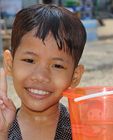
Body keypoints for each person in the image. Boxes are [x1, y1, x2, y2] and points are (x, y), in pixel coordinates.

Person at [0, 4, 86, 140]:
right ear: (10, 64)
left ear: (75, 77)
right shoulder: (4, 126)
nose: (40, 76)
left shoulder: (85, 131)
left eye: (57, 65)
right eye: (29, 60)